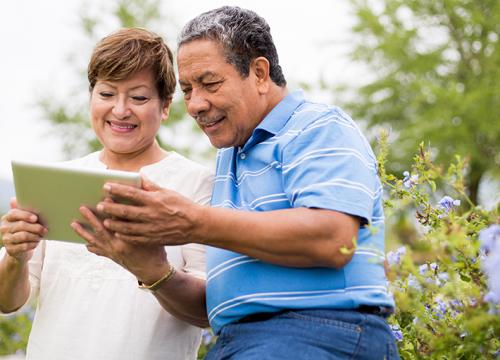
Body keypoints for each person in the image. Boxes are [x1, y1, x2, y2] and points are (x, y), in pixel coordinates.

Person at [83, 6, 400, 359]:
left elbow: (332, 238)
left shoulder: (316, 126)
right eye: (187, 90)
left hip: (320, 333)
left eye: (209, 83)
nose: (195, 105)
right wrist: (152, 270)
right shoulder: (229, 160)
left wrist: (193, 222)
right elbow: (209, 312)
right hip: (240, 342)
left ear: (260, 73)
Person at [0, 28, 212, 360]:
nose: (120, 110)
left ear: (166, 105)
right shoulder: (57, 180)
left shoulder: (197, 184)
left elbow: (206, 308)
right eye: (107, 94)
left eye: (139, 98)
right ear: (91, 97)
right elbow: (9, 302)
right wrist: (15, 255)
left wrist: (148, 268)